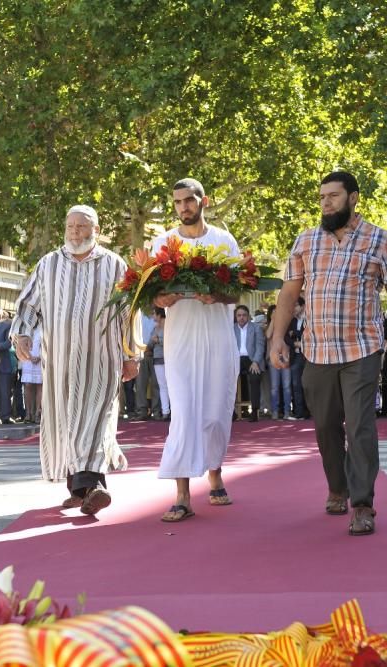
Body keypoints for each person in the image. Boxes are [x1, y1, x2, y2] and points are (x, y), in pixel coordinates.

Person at [270, 170, 387, 536]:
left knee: (360, 426)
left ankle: (362, 504)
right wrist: (277, 337)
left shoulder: (380, 240)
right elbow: (289, 293)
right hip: (317, 348)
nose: (326, 203)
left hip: (362, 348)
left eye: (334, 196)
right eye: (322, 197)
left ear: (354, 198)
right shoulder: (306, 240)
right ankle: (337, 487)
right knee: (325, 426)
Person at [11, 204, 137, 516]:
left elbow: (128, 314)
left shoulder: (115, 265)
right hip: (60, 362)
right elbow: (28, 304)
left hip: (102, 359)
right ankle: (80, 488)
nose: (75, 232)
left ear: (97, 231)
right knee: (67, 421)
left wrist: (131, 354)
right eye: (70, 226)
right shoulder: (48, 264)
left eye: (82, 226)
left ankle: (93, 487)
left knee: (94, 420)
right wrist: (22, 334)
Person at [152, 179, 241, 523]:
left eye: (188, 200)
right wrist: (162, 299)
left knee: (217, 412)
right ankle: (182, 494)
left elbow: (238, 291)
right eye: (177, 202)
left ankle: (215, 474)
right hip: (181, 341)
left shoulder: (223, 240)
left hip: (218, 337)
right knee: (184, 413)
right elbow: (152, 297)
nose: (183, 207)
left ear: (203, 201)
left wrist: (217, 296)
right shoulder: (163, 242)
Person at [234, 304, 265, 422]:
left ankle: (254, 411)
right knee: (228, 380)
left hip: (252, 359)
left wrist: (256, 362)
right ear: (236, 317)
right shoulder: (232, 328)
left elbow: (260, 346)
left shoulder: (256, 328)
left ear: (248, 316)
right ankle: (232, 412)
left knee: (254, 379)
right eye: (239, 315)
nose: (241, 318)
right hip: (236, 360)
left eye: (244, 315)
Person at [265, 305, 294, 419]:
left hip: (285, 357)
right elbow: (268, 335)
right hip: (273, 359)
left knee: (287, 387)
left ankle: (287, 412)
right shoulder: (269, 325)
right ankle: (275, 411)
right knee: (274, 387)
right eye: (274, 312)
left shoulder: (286, 325)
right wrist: (273, 320)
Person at [286, 297, 309, 418]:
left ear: (303, 306)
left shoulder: (310, 319)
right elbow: (286, 336)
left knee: (309, 384)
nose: (293, 309)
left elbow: (309, 334)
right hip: (296, 355)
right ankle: (299, 413)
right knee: (296, 385)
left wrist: (295, 334)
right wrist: (295, 343)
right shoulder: (292, 321)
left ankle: (310, 411)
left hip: (308, 356)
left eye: (295, 305)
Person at [147, 308, 170, 421]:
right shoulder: (155, 328)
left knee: (172, 385)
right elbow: (150, 343)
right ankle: (165, 411)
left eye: (154, 314)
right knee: (162, 385)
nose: (152, 316)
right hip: (157, 359)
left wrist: (158, 340)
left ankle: (174, 411)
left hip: (170, 358)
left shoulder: (170, 326)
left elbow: (171, 341)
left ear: (160, 315)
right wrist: (154, 341)